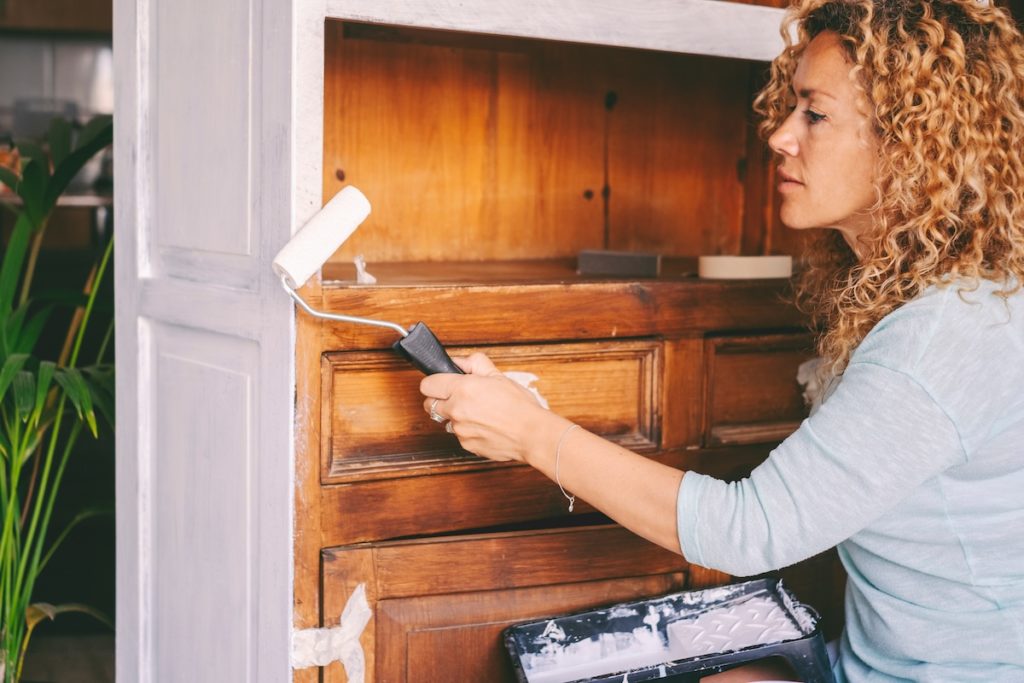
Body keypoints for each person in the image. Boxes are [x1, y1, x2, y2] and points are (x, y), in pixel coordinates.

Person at [419, 0, 1024, 680]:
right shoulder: (932, 292)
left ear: (914, 144)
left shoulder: (948, 334)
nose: (779, 136)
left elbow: (749, 529)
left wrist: (531, 433)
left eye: (814, 114)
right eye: (790, 107)